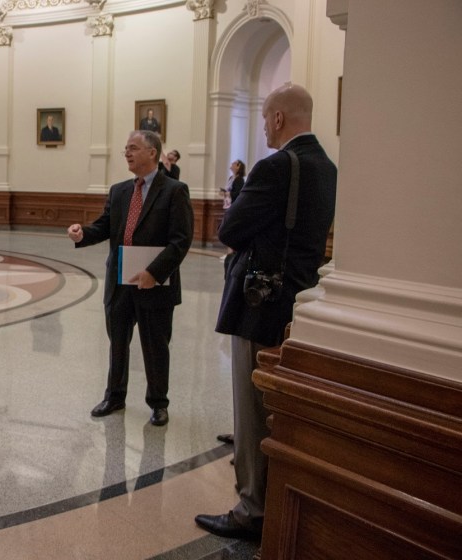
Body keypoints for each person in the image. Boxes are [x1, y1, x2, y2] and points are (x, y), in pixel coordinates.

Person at [195, 83, 337, 540]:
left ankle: (252, 509)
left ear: (278, 118)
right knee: (279, 405)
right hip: (302, 297)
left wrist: (236, 212)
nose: (263, 126)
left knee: (253, 407)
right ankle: (275, 494)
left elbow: (231, 229)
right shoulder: (327, 167)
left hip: (261, 304)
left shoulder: (274, 167)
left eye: (263, 118)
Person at [67, 130, 194, 426]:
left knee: (155, 346)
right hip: (120, 282)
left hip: (155, 284)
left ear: (153, 153)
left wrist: (154, 272)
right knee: (117, 342)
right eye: (125, 149)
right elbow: (105, 226)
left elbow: (181, 240)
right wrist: (82, 233)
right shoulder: (120, 190)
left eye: (133, 148)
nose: (127, 153)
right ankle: (114, 396)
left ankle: (158, 403)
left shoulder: (175, 190)